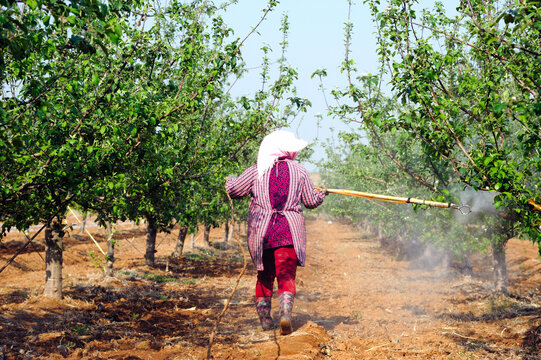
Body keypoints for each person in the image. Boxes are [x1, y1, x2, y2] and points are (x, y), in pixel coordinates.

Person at [225, 130, 327, 335]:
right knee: (286, 274)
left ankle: (264, 320)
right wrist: (321, 194)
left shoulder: (256, 170)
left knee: (264, 276)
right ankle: (285, 315)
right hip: (288, 232)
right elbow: (310, 202)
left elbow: (235, 191)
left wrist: (230, 179)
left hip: (261, 233)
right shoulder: (299, 171)